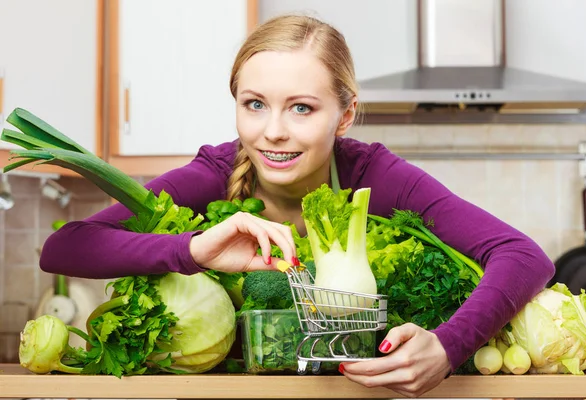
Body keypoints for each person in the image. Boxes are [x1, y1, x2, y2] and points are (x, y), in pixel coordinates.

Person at [40, 14, 555, 397]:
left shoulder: (374, 176)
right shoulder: (214, 174)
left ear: (345, 114)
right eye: (255, 104)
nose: (273, 132)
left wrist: (449, 346)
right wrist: (194, 248)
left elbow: (522, 255)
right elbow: (64, 249)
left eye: (302, 107)